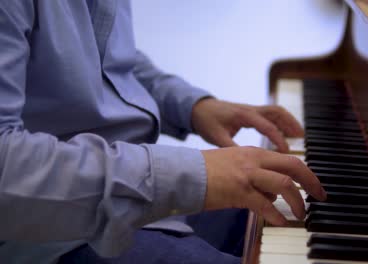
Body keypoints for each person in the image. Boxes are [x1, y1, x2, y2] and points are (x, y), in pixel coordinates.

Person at [0, 1, 326, 263]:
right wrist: (192, 175)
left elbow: (108, 60)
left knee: (293, 216)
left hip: (123, 187)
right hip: (44, 232)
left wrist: (192, 106)